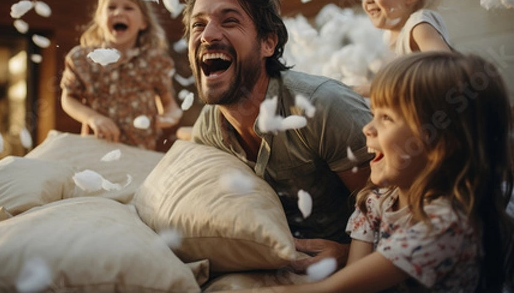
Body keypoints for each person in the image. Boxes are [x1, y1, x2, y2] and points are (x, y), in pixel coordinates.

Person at [220, 52, 514, 292]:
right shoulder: (376, 202)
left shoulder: (446, 225)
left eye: (386, 118)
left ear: (442, 143)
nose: (367, 129)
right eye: (373, 114)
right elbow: (353, 283)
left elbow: (332, 290)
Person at [182, 0, 373, 271]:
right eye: (198, 24)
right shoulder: (208, 127)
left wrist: (346, 253)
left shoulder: (323, 107)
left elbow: (400, 209)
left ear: (268, 43)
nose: (206, 35)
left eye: (229, 21)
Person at [60, 0, 182, 151]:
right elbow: (68, 98)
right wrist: (94, 118)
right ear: (100, 18)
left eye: (128, 7)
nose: (118, 12)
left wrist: (169, 116)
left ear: (143, 22)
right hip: (96, 149)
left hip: (140, 151)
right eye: (111, 7)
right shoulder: (82, 59)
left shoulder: (155, 61)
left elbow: (168, 103)